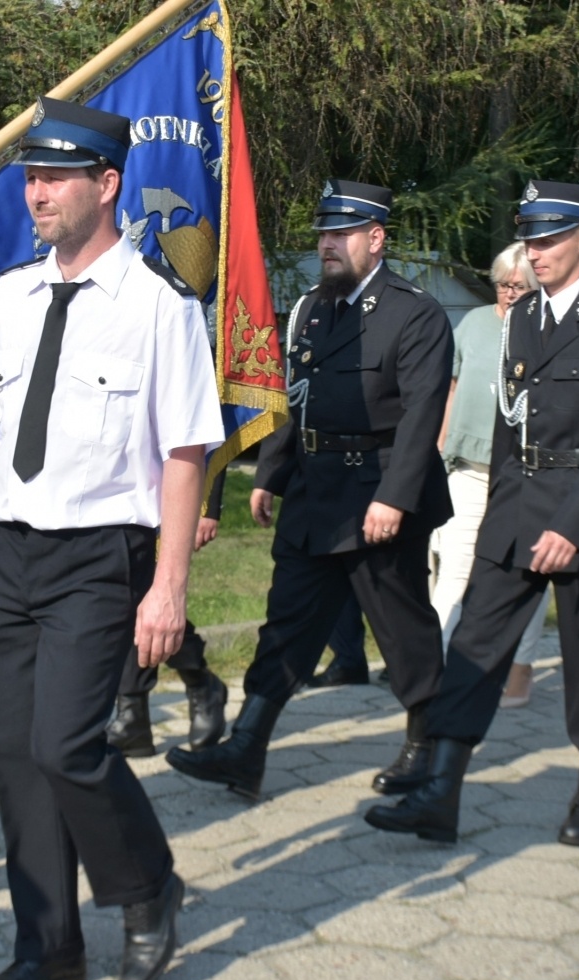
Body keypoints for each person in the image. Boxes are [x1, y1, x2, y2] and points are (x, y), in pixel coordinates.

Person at [0, 98, 224, 980]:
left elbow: (184, 454)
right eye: (32, 177)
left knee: (66, 747)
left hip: (100, 558)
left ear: (107, 184)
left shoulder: (161, 307)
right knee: (16, 758)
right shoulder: (12, 297)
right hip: (13, 554)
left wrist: (168, 587)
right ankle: (48, 946)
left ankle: (146, 888)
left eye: (56, 177)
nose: (37, 193)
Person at [365, 180, 579, 847]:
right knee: (474, 645)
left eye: (549, 240)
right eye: (530, 240)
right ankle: (440, 791)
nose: (535, 252)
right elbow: (507, 426)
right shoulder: (521, 318)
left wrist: (572, 527)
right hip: (517, 506)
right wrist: (498, 510)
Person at [165, 178, 453, 800]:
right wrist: (271, 473)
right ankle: (246, 748)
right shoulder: (312, 309)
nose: (328, 244)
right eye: (324, 233)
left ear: (376, 239)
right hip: (315, 493)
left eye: (342, 233)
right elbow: (295, 400)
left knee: (402, 628)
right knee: (287, 624)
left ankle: (428, 748)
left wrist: (395, 497)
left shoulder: (415, 313)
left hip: (377, 492)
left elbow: (423, 414)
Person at [433, 241, 548, 707]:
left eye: (519, 286)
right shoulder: (474, 323)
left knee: (524, 572)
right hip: (468, 467)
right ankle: (437, 670)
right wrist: (440, 444)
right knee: (454, 571)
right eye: (502, 284)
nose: (508, 293)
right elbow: (451, 386)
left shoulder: (547, 329)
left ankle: (520, 669)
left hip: (523, 475)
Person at [107, 470, 228, 756]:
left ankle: (199, 683)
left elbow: (203, 444)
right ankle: (133, 714)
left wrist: (207, 505)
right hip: (108, 495)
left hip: (166, 494)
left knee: (149, 598)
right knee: (123, 597)